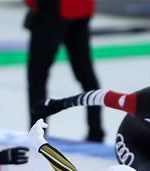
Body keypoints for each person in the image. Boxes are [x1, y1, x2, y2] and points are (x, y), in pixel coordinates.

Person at [25, 0, 105, 142]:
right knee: (86, 74)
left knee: (37, 76)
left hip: (53, 10)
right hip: (81, 9)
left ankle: (37, 134)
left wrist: (32, 4)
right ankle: (96, 132)